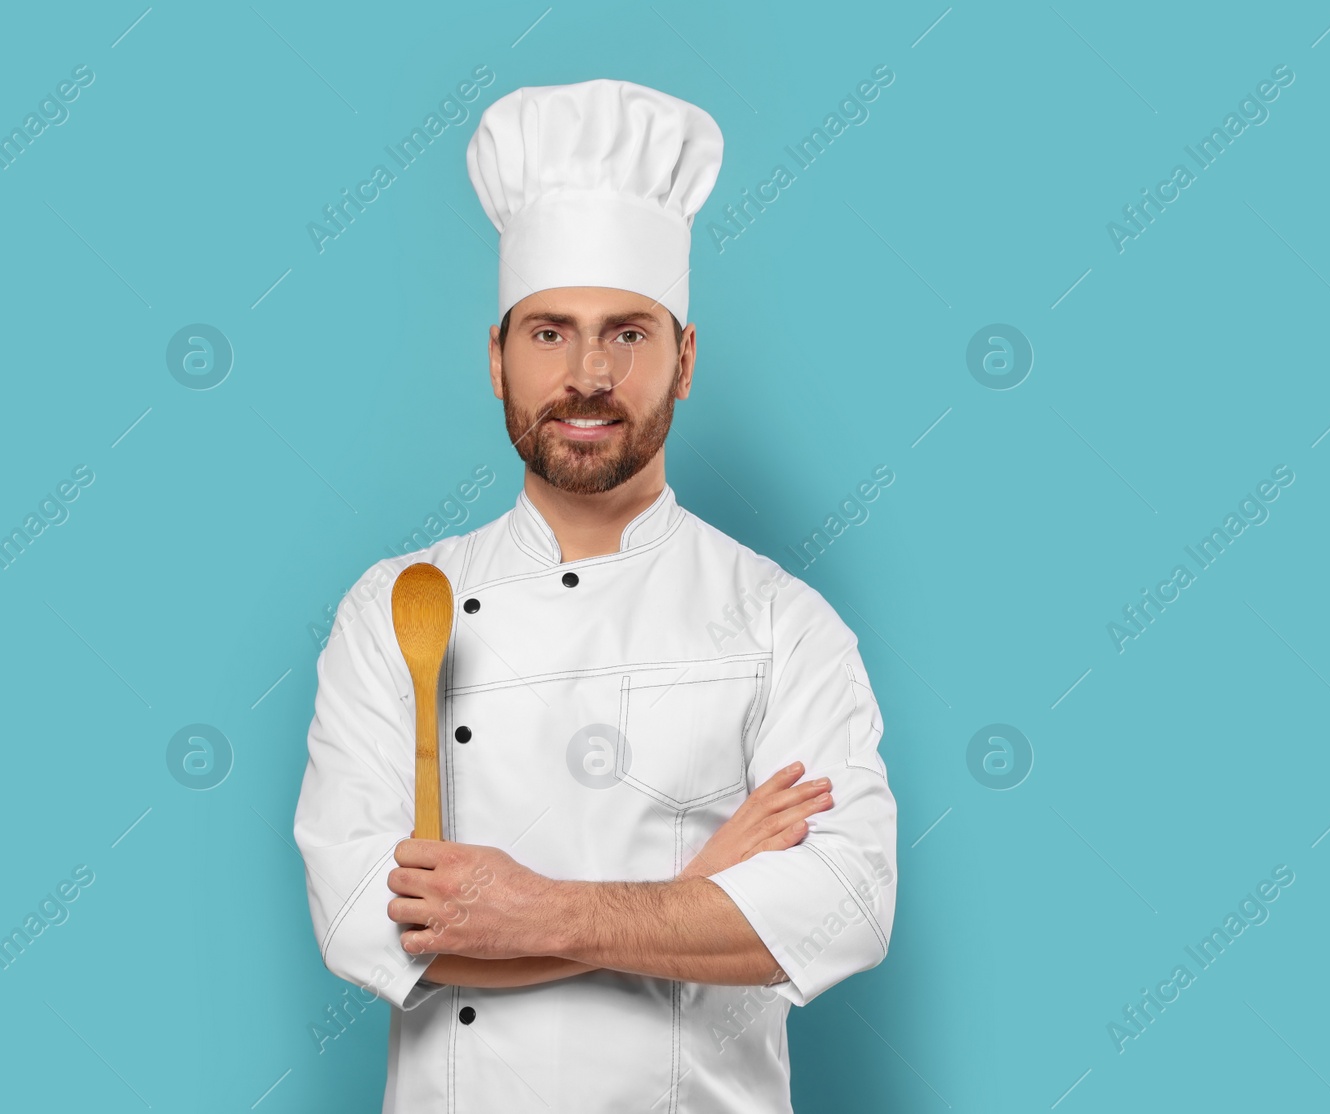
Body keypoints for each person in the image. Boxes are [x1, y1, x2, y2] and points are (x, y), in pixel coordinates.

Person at [292, 78, 898, 1113]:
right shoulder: (398, 608)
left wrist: (536, 913)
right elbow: (362, 919)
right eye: (547, 333)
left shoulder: (779, 623)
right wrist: (698, 891)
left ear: (686, 359)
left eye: (628, 332)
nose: (586, 373)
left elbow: (844, 904)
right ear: (495, 357)